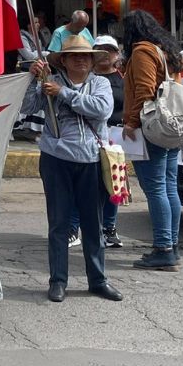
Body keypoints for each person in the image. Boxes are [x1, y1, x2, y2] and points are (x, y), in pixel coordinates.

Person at [23, 36, 121, 303]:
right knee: (59, 223)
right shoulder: (48, 81)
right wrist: (34, 82)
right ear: (63, 61)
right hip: (56, 159)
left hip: (90, 160)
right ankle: (58, 280)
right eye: (74, 55)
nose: (81, 59)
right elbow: (27, 108)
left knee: (94, 223)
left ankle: (98, 280)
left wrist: (63, 93)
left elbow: (101, 110)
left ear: (92, 61)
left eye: (86, 56)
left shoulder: (100, 83)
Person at [120, 9, 183, 272]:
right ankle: (172, 245)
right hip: (171, 128)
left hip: (151, 129)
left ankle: (163, 249)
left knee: (156, 189)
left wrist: (131, 124)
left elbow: (145, 91)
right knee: (169, 187)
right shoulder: (167, 51)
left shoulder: (142, 51)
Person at [67, 35, 126, 249]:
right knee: (79, 188)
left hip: (116, 140)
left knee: (113, 186)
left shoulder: (123, 79)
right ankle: (73, 229)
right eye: (101, 49)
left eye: (109, 50)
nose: (106, 54)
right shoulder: (84, 80)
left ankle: (109, 229)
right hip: (89, 140)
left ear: (116, 55)